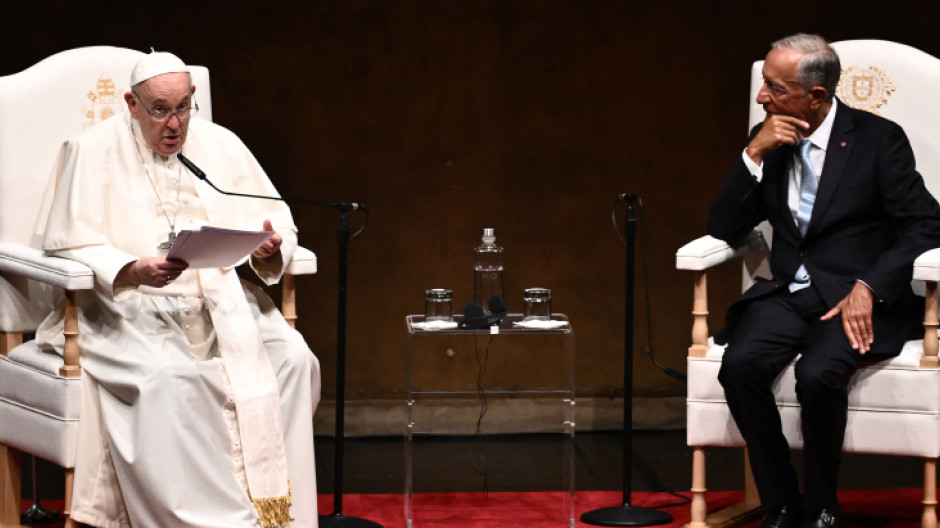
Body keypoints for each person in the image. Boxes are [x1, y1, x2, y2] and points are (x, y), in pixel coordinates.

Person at [34, 50, 320, 527]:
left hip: (221, 301)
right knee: (170, 380)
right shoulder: (92, 149)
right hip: (125, 308)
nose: (175, 125)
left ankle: (278, 517)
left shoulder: (220, 144)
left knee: (293, 360)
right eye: (160, 110)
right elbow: (69, 245)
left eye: (185, 107)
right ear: (131, 104)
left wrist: (271, 248)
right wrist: (131, 268)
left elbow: (273, 222)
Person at [709, 34, 940, 528]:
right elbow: (724, 228)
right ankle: (779, 500)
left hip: (856, 299)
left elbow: (925, 222)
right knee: (740, 365)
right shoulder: (767, 137)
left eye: (775, 87)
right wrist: (752, 154)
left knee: (817, 376)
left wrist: (871, 285)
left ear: (815, 96)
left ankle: (821, 504)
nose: (762, 97)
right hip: (788, 292)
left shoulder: (878, 140)